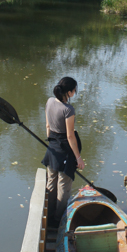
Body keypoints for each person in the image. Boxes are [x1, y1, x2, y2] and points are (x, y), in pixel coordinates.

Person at [42, 76, 85, 228]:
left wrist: (51, 144)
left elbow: (48, 126)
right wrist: (78, 158)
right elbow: (69, 135)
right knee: (63, 188)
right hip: (65, 152)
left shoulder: (49, 101)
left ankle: (48, 215)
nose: (75, 92)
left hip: (52, 149)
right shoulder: (68, 110)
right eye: (74, 90)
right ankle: (57, 221)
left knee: (51, 183)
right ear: (69, 92)